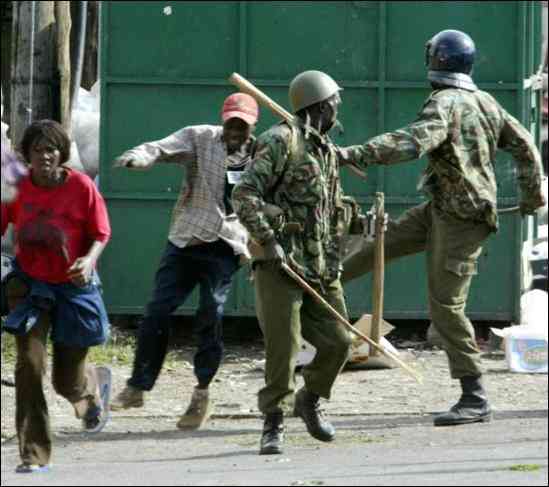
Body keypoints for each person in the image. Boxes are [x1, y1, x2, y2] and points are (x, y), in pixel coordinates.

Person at [337, 30, 546, 426]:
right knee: (378, 246)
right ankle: (321, 287)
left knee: (446, 308)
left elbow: (413, 142)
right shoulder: (485, 102)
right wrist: (533, 196)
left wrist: (353, 154)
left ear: (435, 61)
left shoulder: (444, 103)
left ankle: (474, 396)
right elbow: (527, 147)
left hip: (462, 221)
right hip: (441, 210)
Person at [110, 93, 259, 430]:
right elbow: (160, 148)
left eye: (243, 125)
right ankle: (137, 387)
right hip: (186, 237)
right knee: (156, 311)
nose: (236, 130)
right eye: (231, 122)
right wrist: (139, 157)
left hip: (225, 243)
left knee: (211, 313)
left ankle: (202, 393)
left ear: (252, 125)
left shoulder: (261, 152)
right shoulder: (200, 137)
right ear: (223, 119)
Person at [232, 71, 353, 455]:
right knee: (282, 351)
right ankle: (273, 422)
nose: (339, 107)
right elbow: (244, 194)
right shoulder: (280, 141)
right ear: (320, 106)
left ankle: (311, 397)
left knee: (340, 342)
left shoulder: (327, 150)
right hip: (279, 266)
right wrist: (268, 238)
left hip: (320, 267)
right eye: (335, 101)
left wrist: (362, 222)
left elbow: (328, 207)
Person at [0, 120, 112, 473]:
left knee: (65, 380)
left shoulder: (80, 186)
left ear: (61, 153)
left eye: (51, 150)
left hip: (72, 286)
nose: (45, 156)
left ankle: (88, 392)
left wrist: (88, 260)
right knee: (28, 366)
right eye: (37, 150)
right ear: (27, 156)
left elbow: (101, 232)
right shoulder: (16, 187)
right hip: (30, 287)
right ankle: (33, 455)